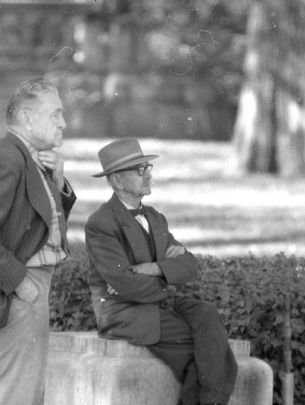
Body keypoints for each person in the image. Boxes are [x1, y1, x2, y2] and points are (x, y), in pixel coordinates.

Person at [85, 138, 237, 405]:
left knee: (207, 314)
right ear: (117, 182)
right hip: (124, 310)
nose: (149, 174)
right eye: (139, 170)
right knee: (208, 357)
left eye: (147, 167)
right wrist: (167, 279)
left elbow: (189, 264)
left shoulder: (155, 218)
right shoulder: (102, 223)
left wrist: (153, 268)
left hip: (158, 303)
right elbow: (124, 282)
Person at [0, 77, 76, 405]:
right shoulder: (6, 158)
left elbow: (37, 221)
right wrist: (19, 282)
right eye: (55, 114)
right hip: (16, 290)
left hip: (23, 289)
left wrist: (56, 181)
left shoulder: (28, 157)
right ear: (27, 119)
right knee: (18, 397)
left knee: (24, 394)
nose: (63, 123)